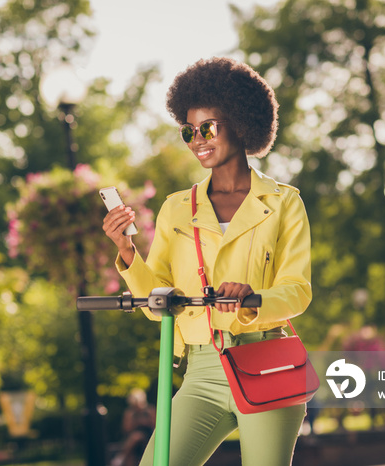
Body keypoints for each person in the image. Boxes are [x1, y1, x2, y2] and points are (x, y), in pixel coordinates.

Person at [103, 57, 312, 466]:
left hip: (266, 362)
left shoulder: (284, 202)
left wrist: (253, 299)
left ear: (240, 122)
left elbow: (298, 290)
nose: (197, 139)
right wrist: (127, 252)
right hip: (200, 369)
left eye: (208, 128)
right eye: (188, 131)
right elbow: (156, 302)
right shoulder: (176, 209)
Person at [111, 388, 157, 466]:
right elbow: (126, 429)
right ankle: (123, 458)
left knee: (136, 437)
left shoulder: (150, 410)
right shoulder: (130, 412)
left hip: (149, 435)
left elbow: (155, 425)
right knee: (134, 443)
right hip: (132, 437)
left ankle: (121, 457)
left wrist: (144, 422)